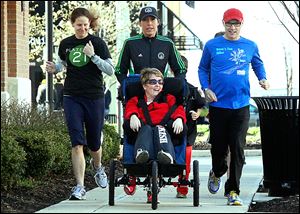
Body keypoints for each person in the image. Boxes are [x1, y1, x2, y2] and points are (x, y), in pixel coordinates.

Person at [198, 8, 270, 206]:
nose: (232, 27)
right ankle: (217, 172)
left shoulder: (250, 45)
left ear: (241, 25)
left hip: (240, 105)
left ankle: (232, 190)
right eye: (229, 23)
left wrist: (262, 78)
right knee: (219, 149)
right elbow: (203, 68)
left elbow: (257, 64)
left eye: (236, 23)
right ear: (223, 23)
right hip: (218, 105)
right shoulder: (212, 45)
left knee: (237, 148)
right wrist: (206, 88)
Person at [45, 7, 114, 200]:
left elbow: (110, 70)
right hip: (72, 96)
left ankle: (98, 167)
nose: (82, 28)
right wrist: (54, 68)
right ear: (72, 25)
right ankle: (80, 186)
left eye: (85, 25)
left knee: (93, 143)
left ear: (90, 24)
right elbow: (63, 64)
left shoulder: (98, 43)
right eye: (78, 25)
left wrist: (93, 56)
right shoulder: (65, 43)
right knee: (77, 142)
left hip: (94, 96)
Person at [122, 67, 187, 203]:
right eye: (153, 82)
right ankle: (141, 154)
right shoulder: (136, 100)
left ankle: (166, 155)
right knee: (146, 129)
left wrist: (179, 118)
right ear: (144, 85)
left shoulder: (168, 98)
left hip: (164, 133)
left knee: (159, 129)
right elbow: (130, 108)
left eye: (160, 82)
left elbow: (178, 108)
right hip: (143, 135)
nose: (157, 85)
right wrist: (133, 115)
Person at [115, 6, 186, 89]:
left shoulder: (168, 43)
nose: (149, 23)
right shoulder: (130, 43)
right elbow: (119, 70)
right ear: (140, 23)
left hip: (160, 94)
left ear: (158, 22)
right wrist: (127, 86)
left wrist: (173, 87)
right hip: (137, 94)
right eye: (145, 20)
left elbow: (181, 69)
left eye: (152, 19)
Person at [176, 55, 206, 198]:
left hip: (188, 131)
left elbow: (201, 106)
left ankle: (183, 186)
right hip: (169, 130)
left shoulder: (192, 90)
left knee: (186, 158)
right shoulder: (164, 87)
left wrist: (197, 113)